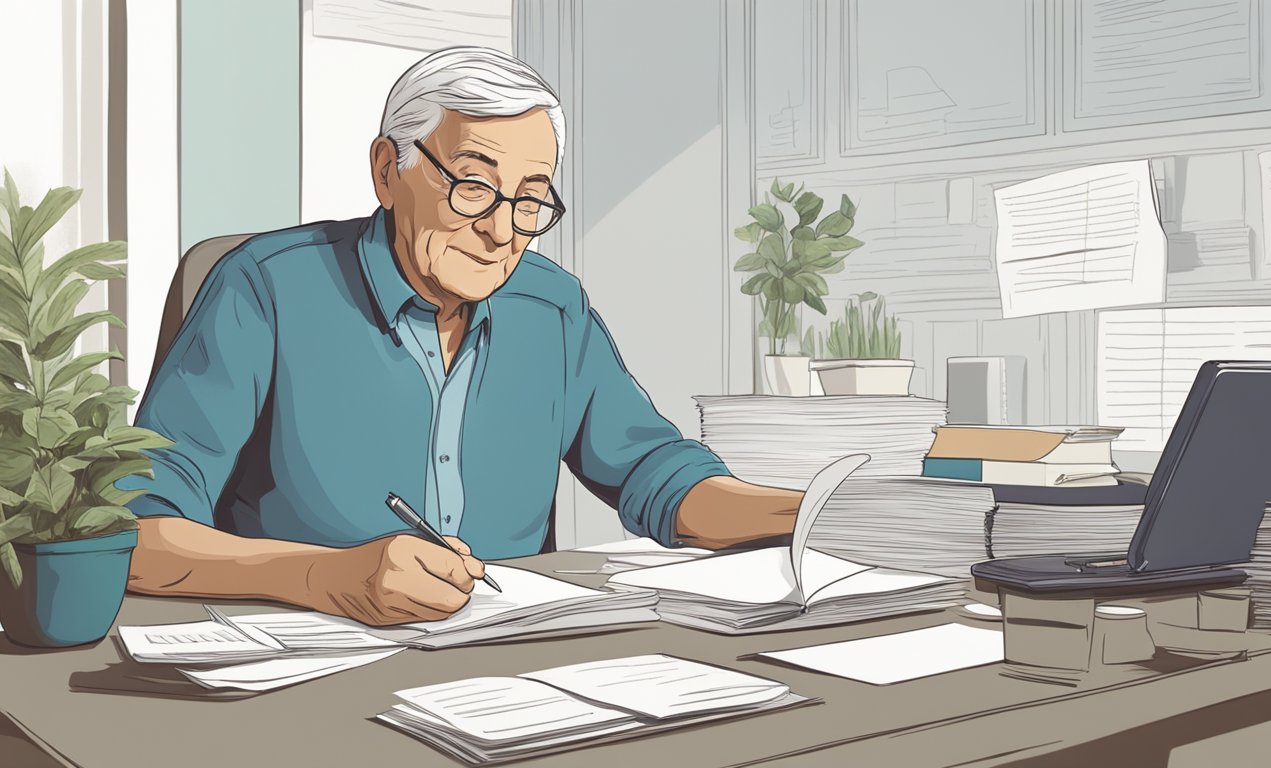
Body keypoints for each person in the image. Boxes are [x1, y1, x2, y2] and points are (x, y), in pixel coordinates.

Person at [123, 46, 804, 626]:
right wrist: (326, 578)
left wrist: (828, 513)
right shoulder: (265, 288)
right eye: (474, 186)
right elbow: (136, 535)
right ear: (388, 171)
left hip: (507, 663)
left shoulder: (551, 308)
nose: (503, 231)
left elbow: (661, 479)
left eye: (531, 198)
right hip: (306, 668)